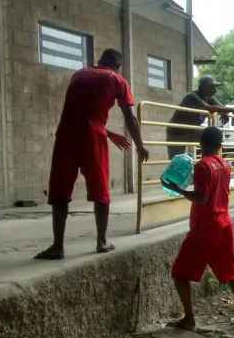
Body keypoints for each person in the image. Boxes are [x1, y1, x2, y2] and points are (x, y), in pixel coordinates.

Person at [35, 49, 149, 260]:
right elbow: (130, 118)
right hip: (92, 139)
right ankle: (101, 242)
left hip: (66, 136)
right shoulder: (117, 80)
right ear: (118, 66)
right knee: (100, 191)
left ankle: (57, 246)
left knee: (60, 191)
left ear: (99, 61)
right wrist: (140, 146)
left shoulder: (79, 74)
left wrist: (107, 131)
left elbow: (82, 114)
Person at [162, 127, 234, 331]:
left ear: (201, 144)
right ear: (220, 145)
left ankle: (189, 318)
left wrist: (179, 189)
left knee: (179, 273)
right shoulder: (225, 165)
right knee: (231, 273)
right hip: (223, 224)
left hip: (205, 227)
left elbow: (201, 197)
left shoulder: (202, 166)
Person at [167, 76, 234, 159]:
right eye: (212, 87)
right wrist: (229, 109)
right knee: (176, 161)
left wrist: (224, 112)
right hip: (177, 133)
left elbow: (220, 107)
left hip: (192, 130)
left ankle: (209, 163)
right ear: (204, 87)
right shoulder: (192, 96)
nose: (215, 90)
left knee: (212, 137)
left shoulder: (209, 97)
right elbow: (208, 107)